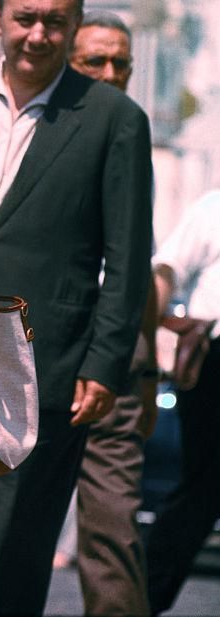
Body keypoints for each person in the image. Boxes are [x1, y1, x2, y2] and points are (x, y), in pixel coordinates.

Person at [0, 0, 154, 616]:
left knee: (10, 538)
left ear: (74, 24)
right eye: (25, 18)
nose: (36, 34)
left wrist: (104, 363)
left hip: (41, 359)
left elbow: (127, 253)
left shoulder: (111, 117)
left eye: (54, 22)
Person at [67, 12, 159, 615]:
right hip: (39, 349)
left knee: (113, 529)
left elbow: (138, 265)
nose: (109, 73)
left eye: (120, 63)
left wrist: (146, 371)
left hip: (117, 363)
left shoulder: (130, 129)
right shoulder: (48, 127)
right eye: (94, 61)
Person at [145, 189, 220, 615]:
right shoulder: (213, 208)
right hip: (214, 357)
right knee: (203, 486)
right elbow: (168, 267)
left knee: (203, 488)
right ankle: (142, 599)